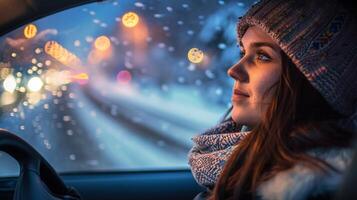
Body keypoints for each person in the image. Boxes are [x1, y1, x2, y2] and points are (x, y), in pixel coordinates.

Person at [188, 0, 357, 199]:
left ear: (311, 83)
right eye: (243, 52)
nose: (233, 70)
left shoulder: (311, 189)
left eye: (263, 56)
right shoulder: (245, 162)